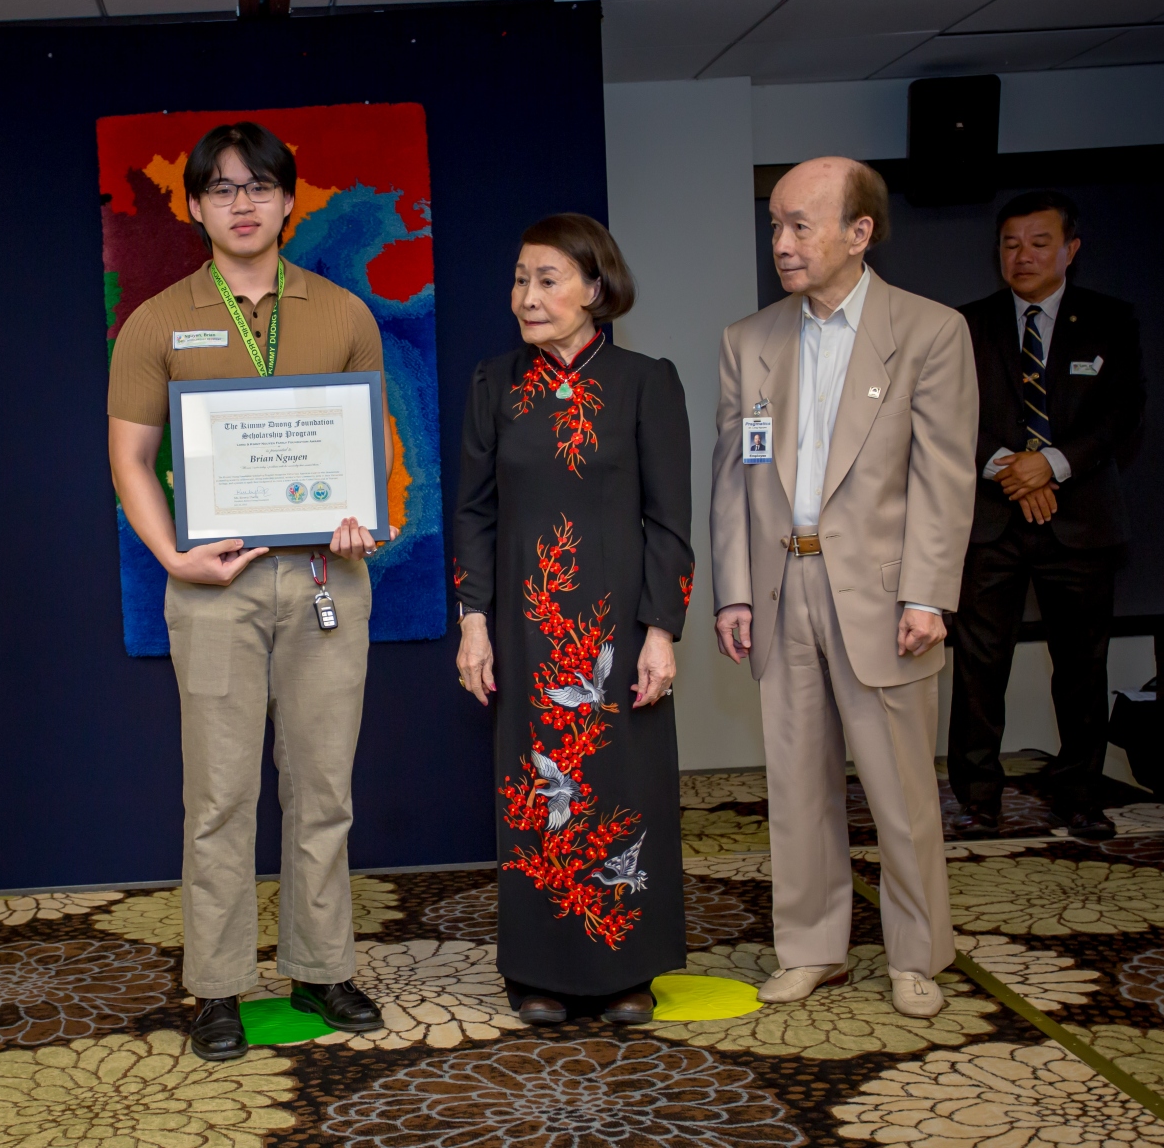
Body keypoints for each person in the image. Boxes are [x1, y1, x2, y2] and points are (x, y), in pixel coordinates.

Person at [107, 121, 387, 1062]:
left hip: (325, 580)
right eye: (222, 188)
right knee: (220, 798)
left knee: (323, 789)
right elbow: (130, 459)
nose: (242, 203)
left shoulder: (344, 314)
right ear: (194, 205)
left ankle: (322, 966)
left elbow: (365, 452)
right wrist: (171, 556)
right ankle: (220, 986)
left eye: (260, 186)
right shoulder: (156, 320)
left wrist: (358, 517)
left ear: (289, 200)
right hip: (212, 591)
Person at [711, 158, 976, 1019]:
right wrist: (734, 590)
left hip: (884, 597)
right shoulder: (748, 340)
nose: (781, 242)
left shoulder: (929, 332)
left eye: (801, 225)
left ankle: (915, 955)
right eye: (775, 225)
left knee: (901, 793)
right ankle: (812, 948)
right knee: (795, 787)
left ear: (860, 233)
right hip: (781, 588)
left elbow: (944, 476)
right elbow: (733, 476)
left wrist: (928, 594)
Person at [453, 214, 693, 1025]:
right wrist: (474, 622)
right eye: (520, 279)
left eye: (547, 280)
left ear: (595, 288)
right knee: (537, 794)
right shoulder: (494, 384)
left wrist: (662, 630)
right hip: (527, 633)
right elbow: (474, 514)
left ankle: (627, 968)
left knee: (623, 786)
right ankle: (539, 971)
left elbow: (669, 521)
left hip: (617, 635)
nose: (527, 296)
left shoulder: (645, 382)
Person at [948, 191, 1144, 841]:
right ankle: (977, 799)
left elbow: (1122, 413)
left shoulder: (1111, 320)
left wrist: (1053, 464)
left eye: (1038, 242)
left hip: (1080, 522)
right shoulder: (966, 325)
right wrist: (1013, 468)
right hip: (990, 522)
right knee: (978, 667)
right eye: (1010, 244)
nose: (1023, 255)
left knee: (1082, 668)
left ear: (1070, 249)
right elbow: (943, 414)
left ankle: (1079, 796)